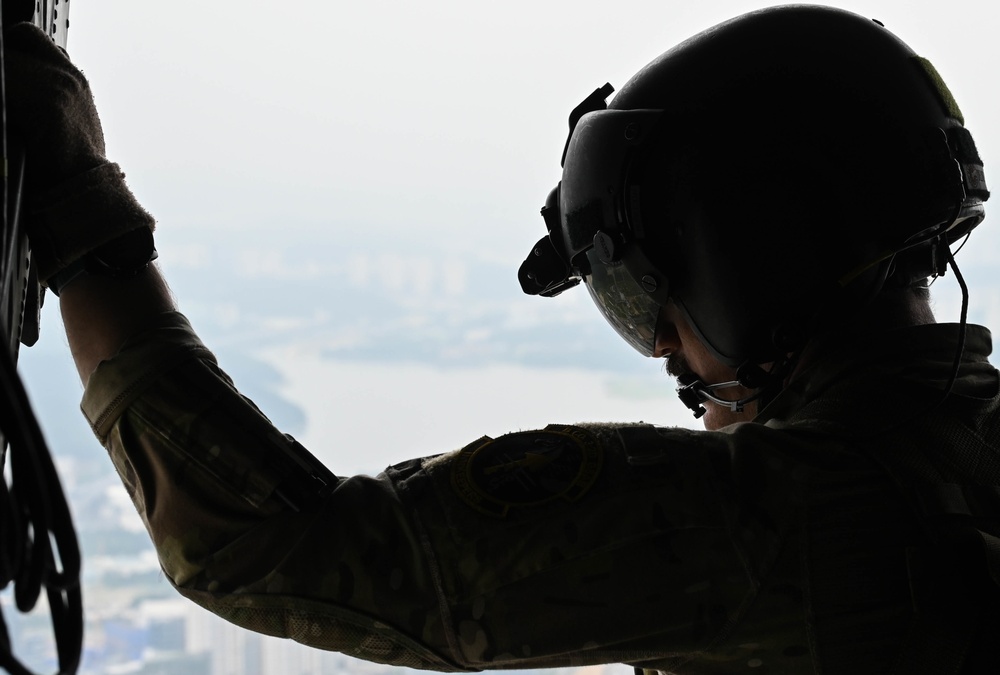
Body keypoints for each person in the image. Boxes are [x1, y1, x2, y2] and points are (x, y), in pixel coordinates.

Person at [7, 4, 1000, 673]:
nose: (663, 352)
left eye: (645, 291)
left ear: (743, 254)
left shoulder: (783, 522)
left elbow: (268, 548)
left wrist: (81, 211)